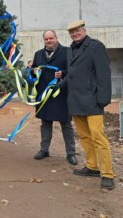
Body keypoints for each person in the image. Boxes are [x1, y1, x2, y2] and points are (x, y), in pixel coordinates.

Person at [57, 20, 115, 190]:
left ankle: (108, 175)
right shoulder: (71, 50)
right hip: (75, 100)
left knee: (98, 136)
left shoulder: (95, 47)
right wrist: (59, 84)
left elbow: (104, 73)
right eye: (72, 32)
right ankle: (92, 166)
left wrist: (103, 99)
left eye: (77, 31)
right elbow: (73, 74)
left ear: (84, 30)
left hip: (92, 100)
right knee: (84, 136)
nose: (75, 34)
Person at [31, 30, 77, 165]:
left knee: (66, 124)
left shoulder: (67, 52)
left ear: (56, 38)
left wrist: (62, 73)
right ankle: (44, 149)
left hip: (61, 94)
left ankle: (71, 153)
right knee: (45, 123)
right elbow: (33, 70)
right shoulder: (38, 54)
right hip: (44, 95)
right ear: (43, 40)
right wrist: (33, 71)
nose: (49, 41)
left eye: (51, 38)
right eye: (46, 39)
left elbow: (73, 71)